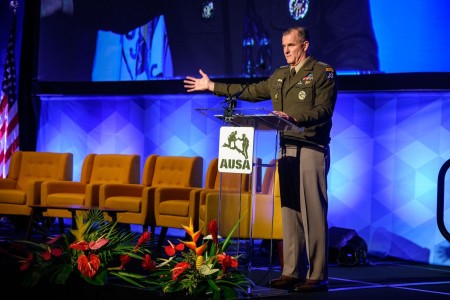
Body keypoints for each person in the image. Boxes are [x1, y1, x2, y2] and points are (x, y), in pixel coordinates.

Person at [184, 26, 337, 293]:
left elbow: (324, 110)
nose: (286, 50)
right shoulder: (279, 75)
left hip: (311, 147)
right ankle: (291, 271)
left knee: (312, 212)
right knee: (289, 212)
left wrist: (296, 119)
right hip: (286, 149)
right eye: (283, 46)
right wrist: (212, 86)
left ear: (305, 45)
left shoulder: (323, 73)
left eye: (291, 45)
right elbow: (250, 91)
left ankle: (317, 274)